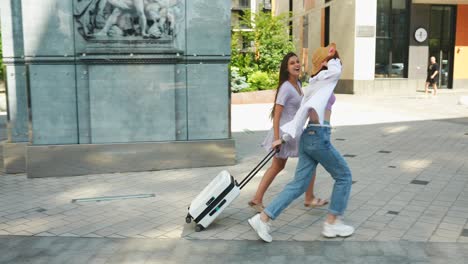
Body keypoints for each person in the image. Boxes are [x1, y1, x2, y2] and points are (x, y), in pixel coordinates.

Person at [248, 43, 354, 242]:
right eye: (331, 59)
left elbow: (299, 116)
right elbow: (337, 68)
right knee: (344, 176)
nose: (335, 61)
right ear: (325, 63)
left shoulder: (315, 82)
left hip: (308, 136)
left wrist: (285, 137)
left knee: (298, 184)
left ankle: (263, 218)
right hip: (318, 136)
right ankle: (332, 223)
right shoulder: (326, 77)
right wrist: (332, 57)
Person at [248, 52, 329, 213]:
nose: (296, 65)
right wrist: (276, 139)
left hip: (293, 133)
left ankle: (257, 199)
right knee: (305, 161)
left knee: (279, 166)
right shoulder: (286, 87)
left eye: (298, 62)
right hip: (285, 134)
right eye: (292, 63)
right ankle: (308, 198)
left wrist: (322, 68)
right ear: (286, 68)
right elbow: (276, 116)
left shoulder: (297, 84)